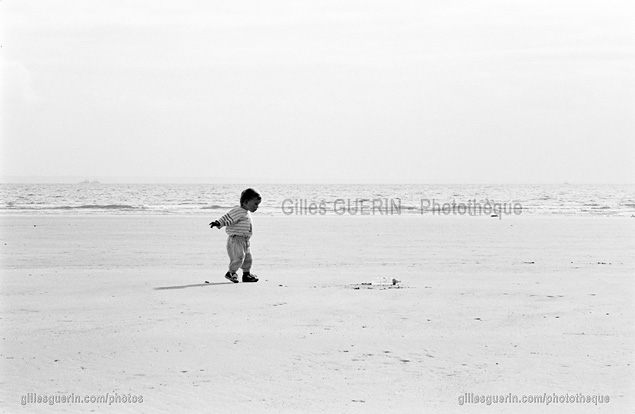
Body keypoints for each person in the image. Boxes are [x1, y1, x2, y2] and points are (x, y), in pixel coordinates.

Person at [209, 188, 261, 283]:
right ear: (246, 202)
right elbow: (227, 217)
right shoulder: (238, 210)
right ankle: (231, 272)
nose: (257, 207)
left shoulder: (245, 212)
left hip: (245, 240)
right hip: (236, 239)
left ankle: (246, 274)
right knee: (238, 257)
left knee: (248, 258)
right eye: (255, 204)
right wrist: (218, 223)